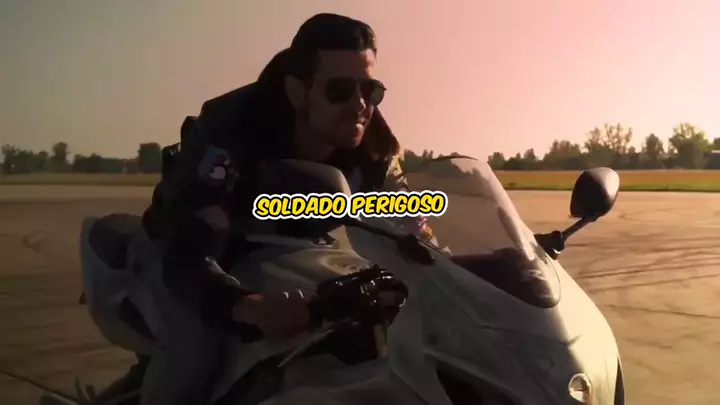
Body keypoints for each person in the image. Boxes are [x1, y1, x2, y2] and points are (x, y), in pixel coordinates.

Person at [94, 13, 440, 405]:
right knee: (195, 353)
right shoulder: (231, 131)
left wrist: (459, 274)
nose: (360, 104)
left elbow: (411, 225)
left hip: (285, 252)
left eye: (371, 89)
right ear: (297, 90)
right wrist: (246, 305)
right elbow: (189, 245)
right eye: (340, 89)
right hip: (183, 250)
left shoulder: (373, 146)